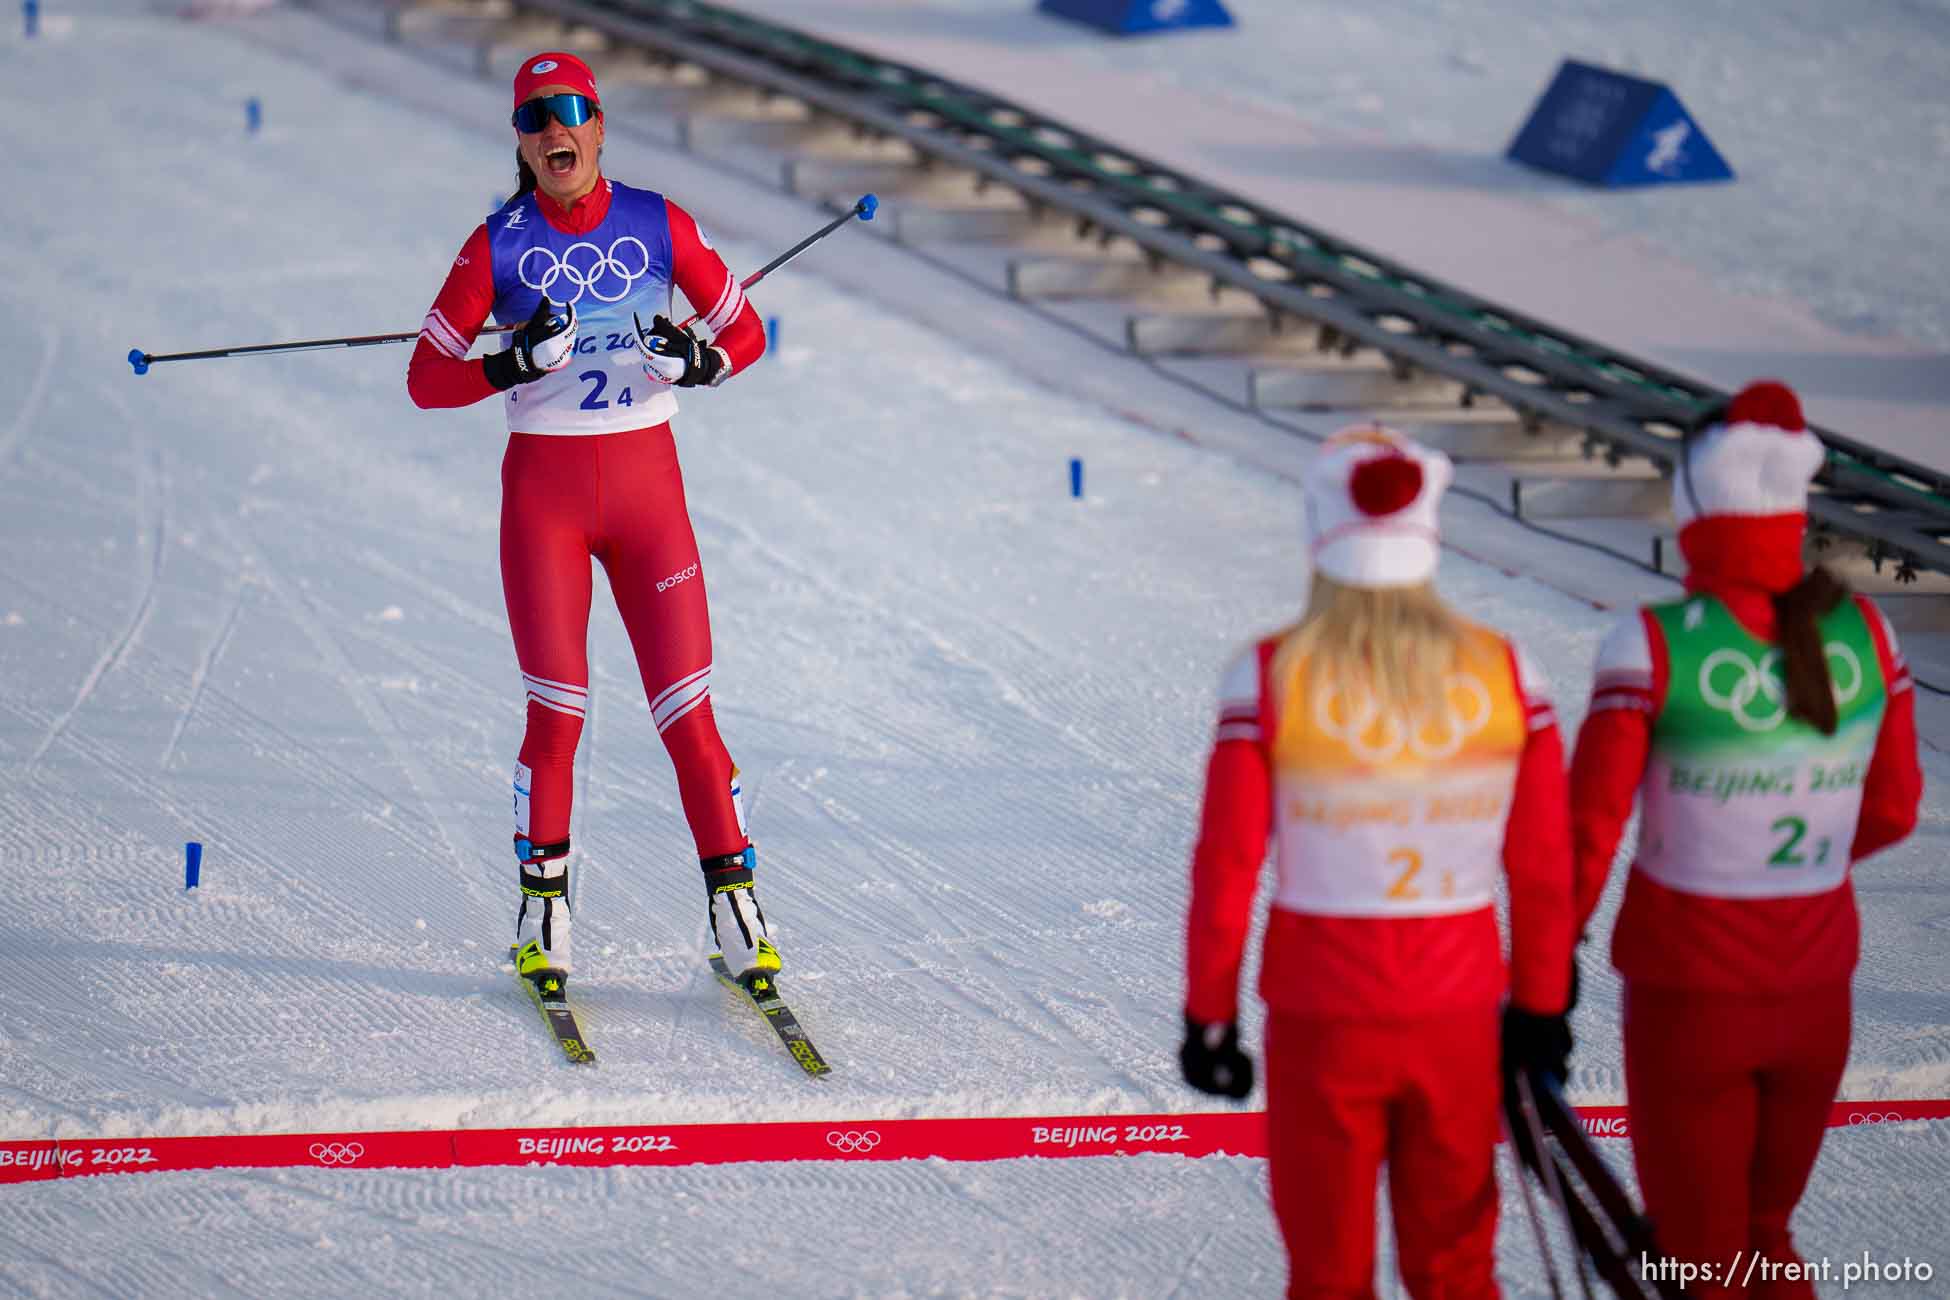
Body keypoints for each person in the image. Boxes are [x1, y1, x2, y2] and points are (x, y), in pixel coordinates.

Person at [405, 51, 777, 997]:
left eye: (569, 111)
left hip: (652, 498)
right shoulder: (496, 244)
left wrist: (699, 364)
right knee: (558, 715)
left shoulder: (658, 221)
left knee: (690, 713)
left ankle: (736, 914)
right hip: (548, 505)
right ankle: (543, 921)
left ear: (600, 125)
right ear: (522, 144)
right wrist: (510, 363)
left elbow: (747, 330)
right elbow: (425, 376)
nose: (553, 130)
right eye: (534, 119)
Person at [1179, 425, 1576, 1299]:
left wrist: (1210, 1013)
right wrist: (1542, 1005)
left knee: (1327, 1274)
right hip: (1460, 1012)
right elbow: (1546, 864)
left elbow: (1228, 867)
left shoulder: (1271, 676)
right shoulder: (1510, 675)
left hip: (1323, 1015)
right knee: (1458, 1268)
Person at [1568, 380, 1922, 1297]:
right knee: (1767, 1241)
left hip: (1691, 1001)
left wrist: (1540, 967)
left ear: (1692, 505)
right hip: (1817, 994)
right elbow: (1892, 809)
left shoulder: (1649, 645)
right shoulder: (1867, 632)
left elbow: (1587, 834)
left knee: (1699, 1261)